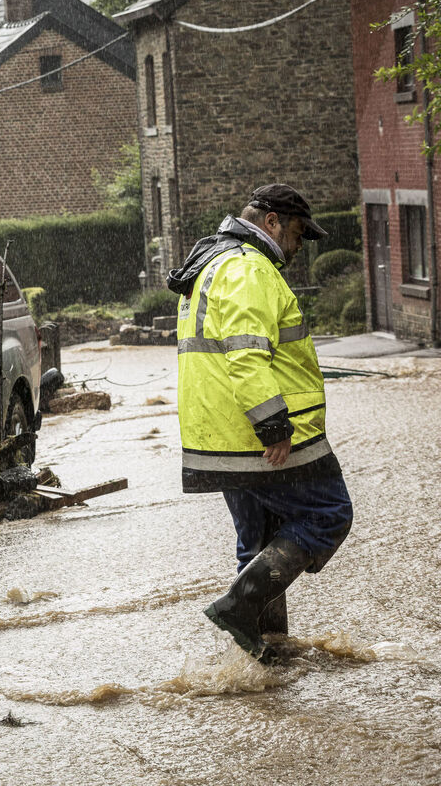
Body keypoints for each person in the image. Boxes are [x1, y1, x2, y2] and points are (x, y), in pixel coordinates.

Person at [167, 184, 353, 662]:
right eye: (295, 233)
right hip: (263, 436)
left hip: (223, 435)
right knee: (329, 514)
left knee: (261, 542)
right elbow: (246, 356)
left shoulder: (214, 261)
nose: (297, 246)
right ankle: (239, 609)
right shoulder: (248, 268)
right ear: (271, 222)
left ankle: (268, 655)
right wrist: (274, 426)